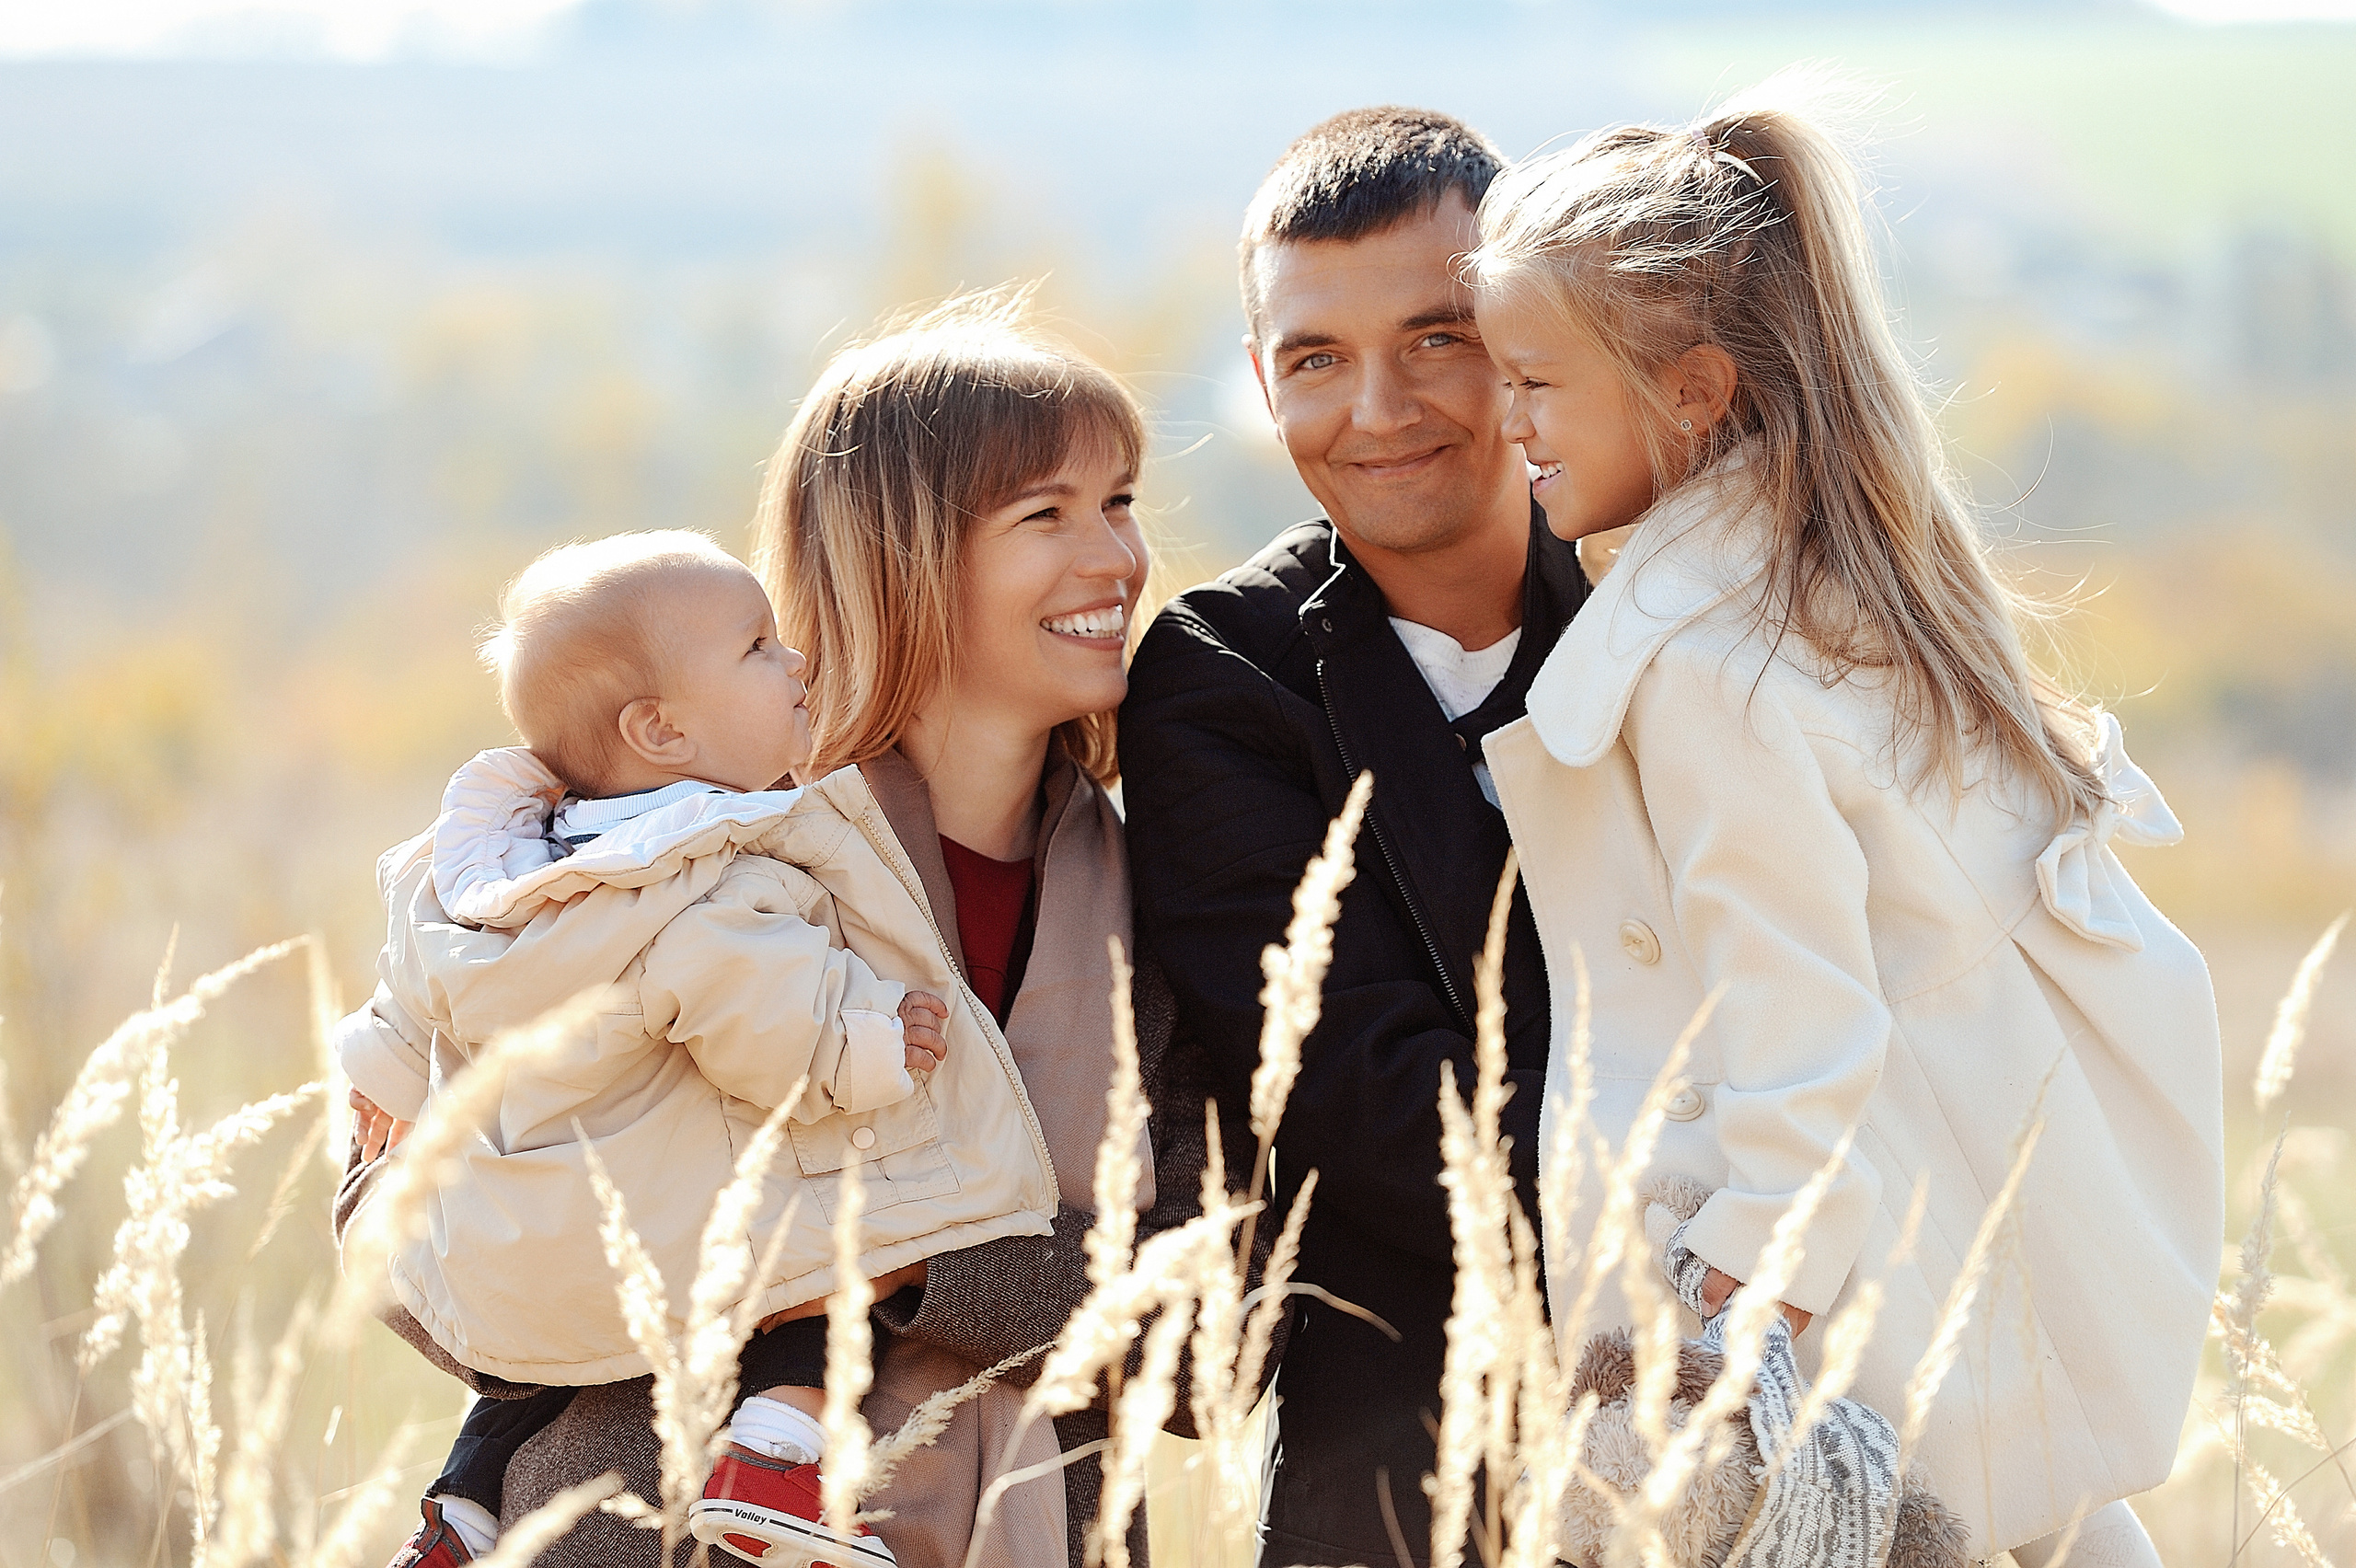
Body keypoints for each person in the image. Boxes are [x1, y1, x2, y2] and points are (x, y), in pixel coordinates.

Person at [373, 292, 1253, 1568]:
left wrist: (902, 1267)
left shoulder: (1157, 895)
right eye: (1045, 515)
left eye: (1119, 501)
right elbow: (420, 1245)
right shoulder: (689, 852)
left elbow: (1217, 1337)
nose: (1117, 558)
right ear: (898, 558)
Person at [1466, 83, 2222, 1563]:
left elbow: (1799, 999)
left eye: (1537, 383)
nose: (1507, 425)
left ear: (1692, 389)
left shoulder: (1695, 659)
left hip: (1847, 1286)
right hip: (1959, 1228)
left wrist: (1735, 1286)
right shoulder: (1827, 582)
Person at [339, 529, 1049, 1568]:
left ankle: (459, 1509)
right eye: (761, 648)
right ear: (662, 729)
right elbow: (768, 1024)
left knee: (535, 1359)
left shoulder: (493, 871)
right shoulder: (710, 874)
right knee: (814, 1240)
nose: (796, 661)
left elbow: (413, 990)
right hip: (669, 1264)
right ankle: (775, 1458)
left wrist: (382, 1087)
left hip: (517, 1254)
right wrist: (871, 1043)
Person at [1121, 109, 1589, 1565]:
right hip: (1412, 1469)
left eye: (1437, 337)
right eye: (1317, 360)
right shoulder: (1221, 678)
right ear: (1264, 381)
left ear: (1527, 338)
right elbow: (1362, 1094)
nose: (1377, 410)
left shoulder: (1678, 601)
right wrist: (1685, 1265)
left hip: (1787, 1400)